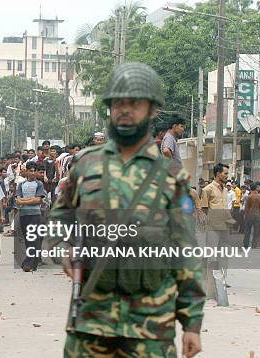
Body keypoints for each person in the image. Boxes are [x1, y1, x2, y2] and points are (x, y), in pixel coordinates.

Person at [52, 62, 204, 357]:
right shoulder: (86, 164)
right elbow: (60, 216)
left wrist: (192, 324)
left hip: (150, 326)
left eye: (134, 103)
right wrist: (63, 246)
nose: (125, 109)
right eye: (118, 103)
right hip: (90, 322)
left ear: (152, 110)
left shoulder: (172, 176)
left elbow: (185, 251)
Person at [200, 163, 233, 301]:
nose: (227, 176)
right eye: (225, 173)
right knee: (211, 257)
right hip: (213, 228)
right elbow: (204, 209)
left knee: (223, 256)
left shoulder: (225, 189)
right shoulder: (208, 189)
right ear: (218, 173)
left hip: (225, 227)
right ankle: (209, 290)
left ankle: (221, 286)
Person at [17, 162, 46, 272]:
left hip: (35, 214)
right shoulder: (21, 185)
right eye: (31, 170)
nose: (33, 173)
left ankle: (30, 263)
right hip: (23, 214)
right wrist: (31, 200)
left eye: (34, 171)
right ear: (27, 171)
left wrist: (24, 200)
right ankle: (30, 261)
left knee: (33, 238)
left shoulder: (39, 184)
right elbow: (18, 200)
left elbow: (38, 200)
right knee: (27, 239)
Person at [243, 183, 260, 248]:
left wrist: (245, 215)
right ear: (256, 188)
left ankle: (246, 244)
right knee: (256, 230)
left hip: (249, 215)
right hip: (257, 214)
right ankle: (254, 244)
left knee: (247, 230)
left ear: (250, 188)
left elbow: (246, 207)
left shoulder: (249, 196)